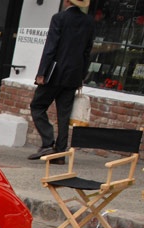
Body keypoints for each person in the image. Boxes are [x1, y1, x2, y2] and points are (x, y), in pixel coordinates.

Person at [27, 0, 94, 160]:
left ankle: (48, 143)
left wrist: (42, 72)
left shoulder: (59, 18)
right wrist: (81, 76)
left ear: (67, 1)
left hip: (54, 73)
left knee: (37, 105)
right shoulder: (88, 22)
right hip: (73, 75)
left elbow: (51, 47)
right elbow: (87, 51)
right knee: (64, 115)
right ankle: (60, 154)